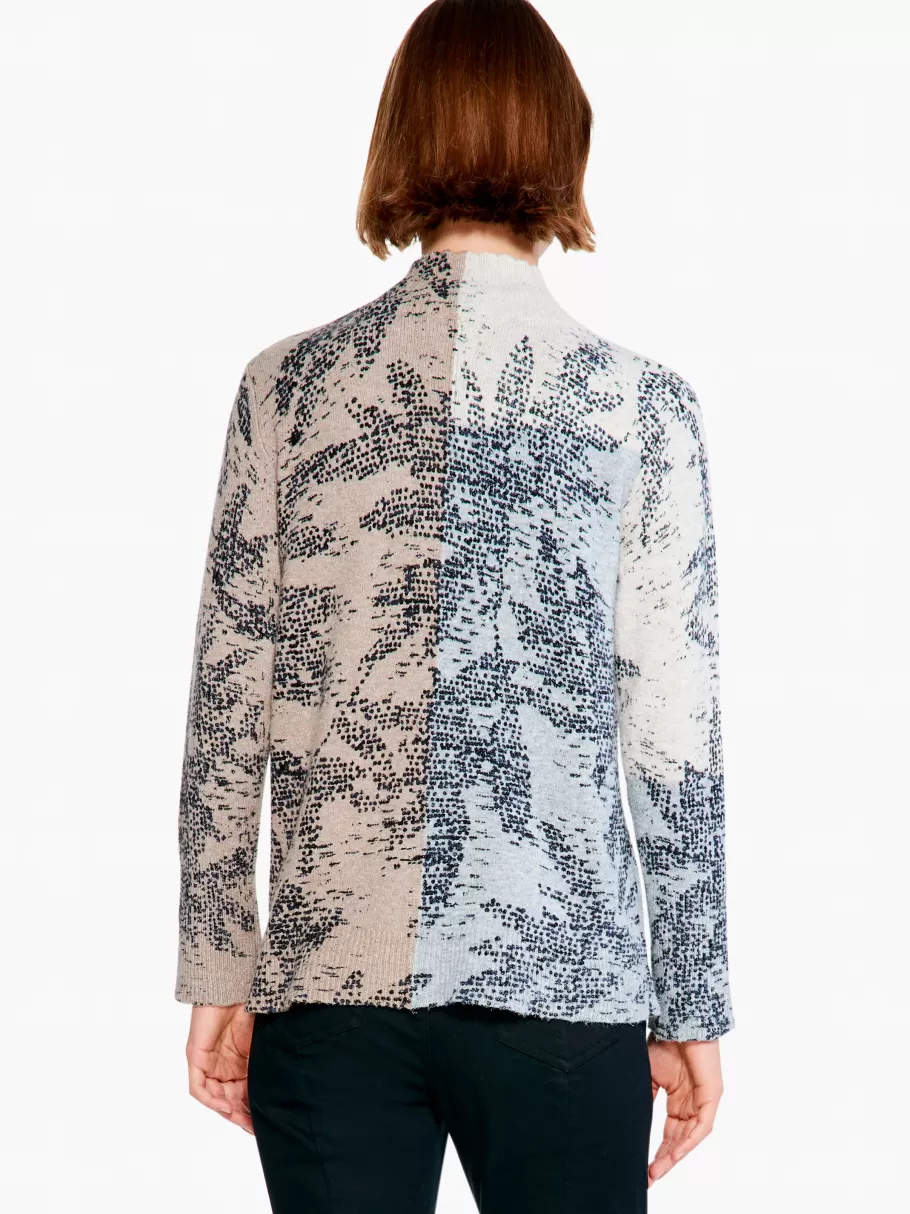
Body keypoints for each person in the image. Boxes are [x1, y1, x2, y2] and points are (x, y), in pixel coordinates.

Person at [174, 1, 734, 1210]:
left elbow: (229, 701)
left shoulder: (285, 388)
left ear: (399, 137)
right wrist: (690, 999)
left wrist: (220, 961)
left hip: (328, 982)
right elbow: (671, 739)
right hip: (561, 989)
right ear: (564, 140)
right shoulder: (642, 408)